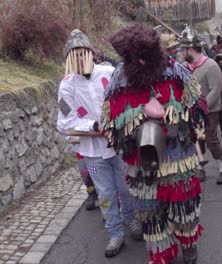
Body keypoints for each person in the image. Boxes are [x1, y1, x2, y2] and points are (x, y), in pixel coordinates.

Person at [101, 24, 205, 264]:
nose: (139, 62)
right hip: (140, 162)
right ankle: (161, 254)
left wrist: (171, 116)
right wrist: (135, 120)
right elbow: (108, 120)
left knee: (183, 208)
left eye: (144, 56)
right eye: (133, 58)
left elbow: (198, 108)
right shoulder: (119, 77)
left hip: (177, 157)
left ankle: (188, 245)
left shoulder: (176, 72)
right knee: (150, 214)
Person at [56, 29, 141, 257]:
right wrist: (94, 126)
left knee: (125, 187)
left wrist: (121, 121)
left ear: (91, 53)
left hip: (119, 146)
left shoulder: (109, 73)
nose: (81, 58)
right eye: (76, 54)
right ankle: (115, 233)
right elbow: (65, 121)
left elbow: (125, 100)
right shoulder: (67, 86)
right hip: (92, 151)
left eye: (84, 53)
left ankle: (130, 219)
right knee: (105, 193)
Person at [180, 31, 222, 185]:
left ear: (190, 50)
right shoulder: (183, 67)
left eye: (182, 50)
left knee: (210, 138)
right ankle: (201, 168)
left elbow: (215, 90)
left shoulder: (211, 65)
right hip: (190, 110)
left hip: (210, 110)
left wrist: (201, 108)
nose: (181, 53)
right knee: (195, 139)